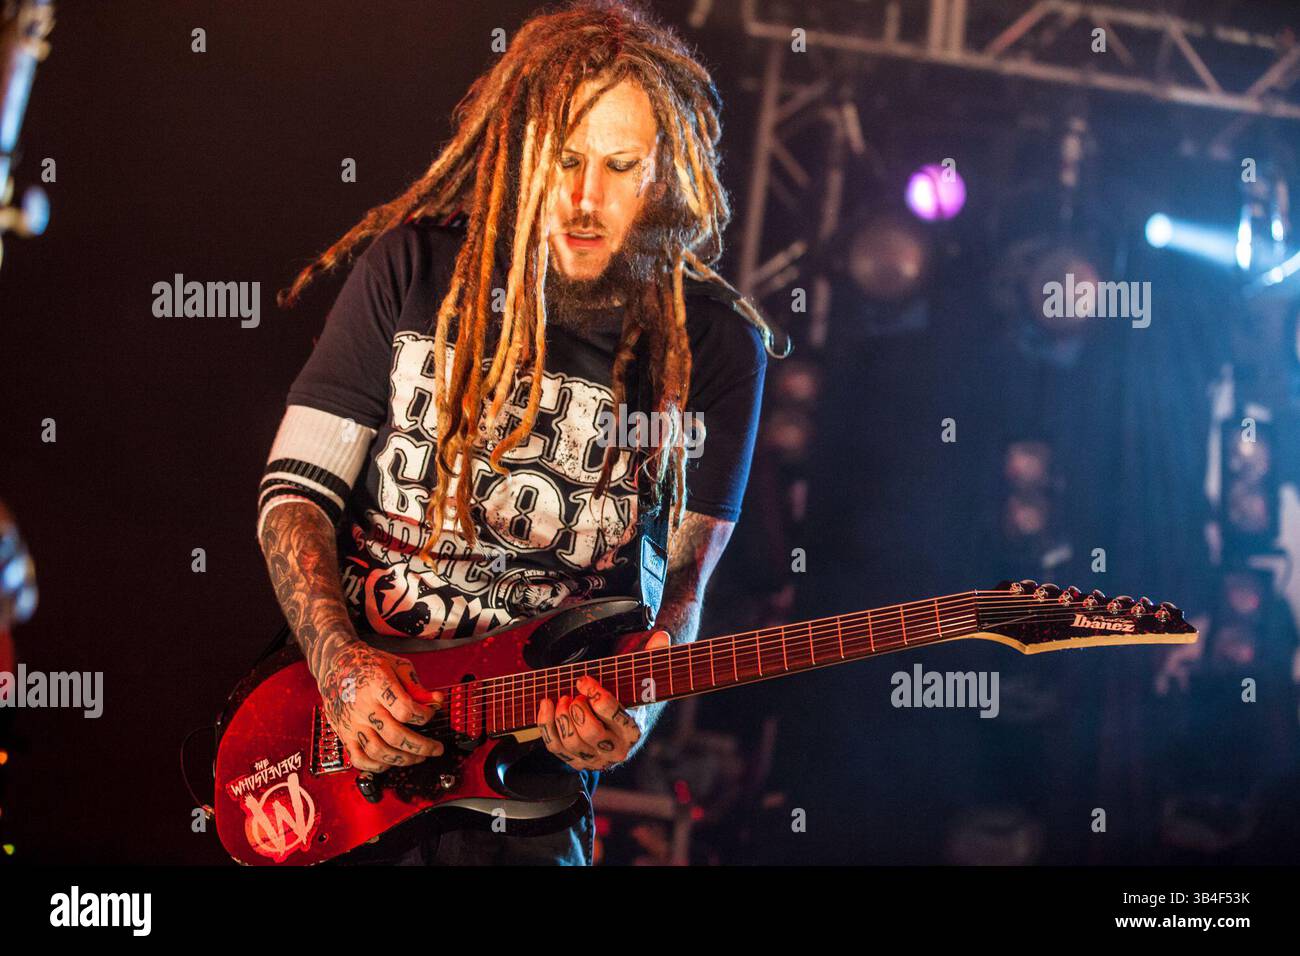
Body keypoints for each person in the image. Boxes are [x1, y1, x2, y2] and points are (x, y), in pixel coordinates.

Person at [257, 0, 783, 865]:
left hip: (524, 787)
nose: (583, 199)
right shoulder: (414, 268)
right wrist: (338, 661)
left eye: (620, 166)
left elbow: (681, 594)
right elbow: (292, 499)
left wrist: (636, 710)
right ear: (522, 145)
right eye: (567, 159)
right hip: (349, 756)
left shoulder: (715, 347)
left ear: (665, 173)